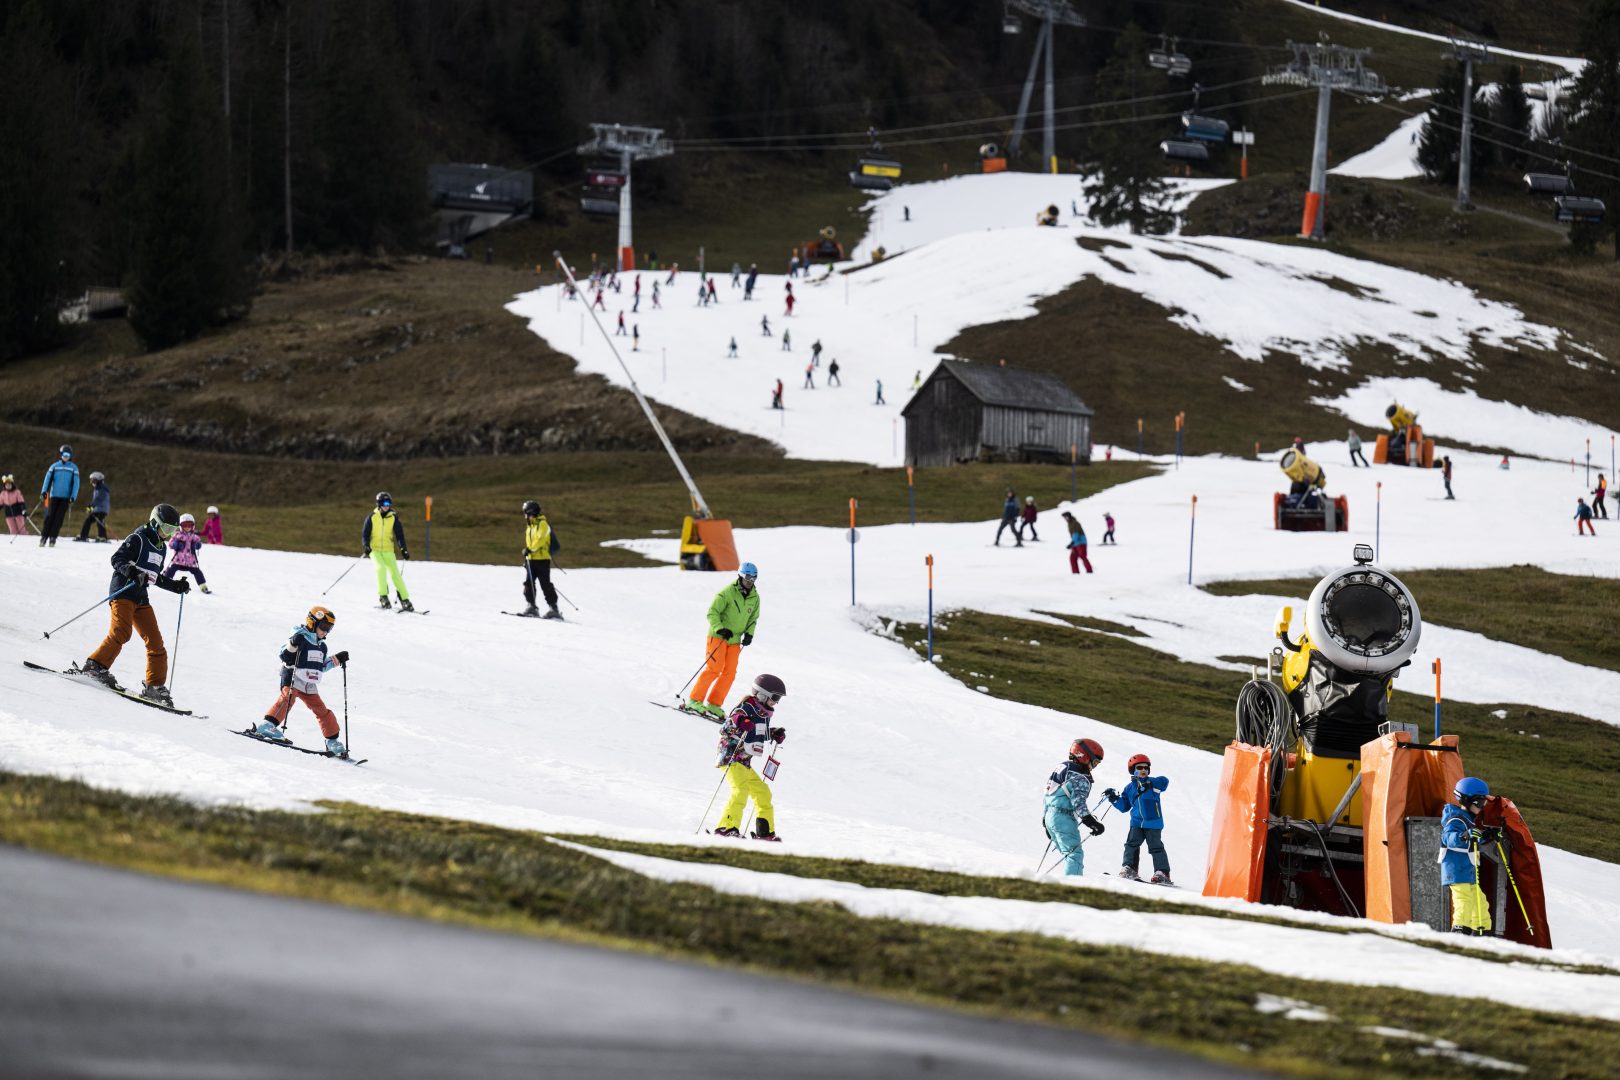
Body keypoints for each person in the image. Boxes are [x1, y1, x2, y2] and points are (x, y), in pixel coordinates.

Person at [78, 503, 190, 705]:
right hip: (122, 591)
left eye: (173, 531)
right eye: (166, 529)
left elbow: (156, 578)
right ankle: (95, 666)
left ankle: (154, 687)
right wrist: (132, 572)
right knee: (122, 632)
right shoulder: (138, 538)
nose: (170, 535)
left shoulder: (162, 548)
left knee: (156, 642)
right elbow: (117, 558)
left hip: (140, 598)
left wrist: (176, 586)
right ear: (155, 524)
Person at [251, 606, 351, 757]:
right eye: (323, 626)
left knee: (322, 711)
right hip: (293, 676)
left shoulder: (322, 646)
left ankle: (332, 741)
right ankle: (267, 725)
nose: (325, 631)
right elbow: (284, 655)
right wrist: (293, 643)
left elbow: (321, 666)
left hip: (309, 682)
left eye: (329, 628)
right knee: (288, 698)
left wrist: (337, 659)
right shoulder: (299, 636)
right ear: (312, 622)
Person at [712, 673, 788, 840]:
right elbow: (725, 728)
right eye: (775, 697)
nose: (776, 702)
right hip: (731, 758)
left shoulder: (763, 714)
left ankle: (764, 832)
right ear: (762, 694)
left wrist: (773, 734)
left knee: (763, 793)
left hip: (744, 762)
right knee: (740, 790)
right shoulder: (745, 708)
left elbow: (756, 734)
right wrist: (739, 721)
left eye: (778, 699)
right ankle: (726, 828)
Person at [687, 563, 760, 718]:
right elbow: (712, 612)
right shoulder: (727, 592)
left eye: (754, 578)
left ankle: (714, 703)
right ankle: (694, 700)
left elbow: (753, 618)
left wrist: (749, 634)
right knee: (714, 668)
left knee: (730, 673)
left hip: (734, 640)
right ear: (740, 576)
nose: (750, 581)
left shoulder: (755, 597)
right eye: (748, 577)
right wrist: (720, 628)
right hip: (718, 636)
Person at [1440, 777, 1499, 936]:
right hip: (1456, 869)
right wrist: (1463, 836)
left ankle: (1483, 932)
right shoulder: (1455, 818)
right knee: (1464, 901)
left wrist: (1488, 836)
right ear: (1466, 800)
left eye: (1484, 802)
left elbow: (1475, 839)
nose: (1482, 806)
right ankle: (1459, 932)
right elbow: (1447, 838)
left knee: (1480, 903)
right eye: (1479, 802)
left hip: (1468, 871)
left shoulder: (1469, 821)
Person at [1043, 738, 1107, 876]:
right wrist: (1092, 822)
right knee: (1075, 855)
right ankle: (1071, 889)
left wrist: (1045, 819)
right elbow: (1078, 803)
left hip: (1050, 815)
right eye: (1094, 762)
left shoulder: (1062, 768)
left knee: (1068, 853)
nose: (1094, 766)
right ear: (1084, 756)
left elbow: (1048, 793)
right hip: (1063, 818)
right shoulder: (1080, 777)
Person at [1105, 754, 1172, 884]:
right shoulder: (1129, 788)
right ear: (1133, 770)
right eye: (1139, 767)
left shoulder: (1154, 784)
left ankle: (1162, 872)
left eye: (1146, 768)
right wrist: (1113, 799)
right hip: (1136, 823)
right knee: (1131, 845)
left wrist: (1150, 782)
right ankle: (1129, 868)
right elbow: (1124, 806)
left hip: (1153, 822)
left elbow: (1165, 781)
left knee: (1156, 847)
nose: (1143, 770)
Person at [362, 491, 413, 610]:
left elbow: (399, 535)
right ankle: (383, 597)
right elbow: (365, 535)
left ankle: (405, 599)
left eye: (389, 503)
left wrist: (403, 549)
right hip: (375, 551)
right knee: (381, 569)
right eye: (384, 503)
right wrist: (366, 546)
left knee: (395, 574)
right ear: (379, 504)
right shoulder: (372, 517)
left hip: (388, 551)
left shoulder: (393, 518)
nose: (387, 505)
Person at [520, 499, 561, 620]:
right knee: (528, 584)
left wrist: (529, 549)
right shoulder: (530, 526)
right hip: (532, 560)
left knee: (545, 584)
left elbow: (540, 540)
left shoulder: (543, 524)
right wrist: (529, 554)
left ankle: (554, 609)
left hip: (542, 560)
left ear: (530, 512)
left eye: (525, 513)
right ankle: (531, 606)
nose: (524, 515)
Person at [38, 444, 80, 547]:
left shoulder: (73, 468)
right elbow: (47, 479)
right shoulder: (54, 466)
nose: (66, 456)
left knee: (59, 518)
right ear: (60, 455)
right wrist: (44, 491)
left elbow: (76, 484)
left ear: (71, 456)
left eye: (68, 455)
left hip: (65, 498)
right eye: (64, 454)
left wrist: (73, 496)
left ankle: (53, 538)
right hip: (54, 496)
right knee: (50, 517)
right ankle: (44, 537)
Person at [162, 513, 211, 594]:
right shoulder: (177, 535)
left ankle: (203, 586)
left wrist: (197, 545)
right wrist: (176, 544)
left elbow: (199, 543)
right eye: (185, 525)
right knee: (171, 570)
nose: (187, 527)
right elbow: (170, 543)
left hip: (190, 562)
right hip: (178, 560)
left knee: (198, 572)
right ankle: (166, 582)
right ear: (181, 526)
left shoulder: (194, 536)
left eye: (190, 525)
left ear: (193, 526)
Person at [76, 471, 111, 542]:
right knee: (89, 521)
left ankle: (102, 537)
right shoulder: (98, 488)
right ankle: (84, 535)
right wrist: (91, 508)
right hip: (98, 509)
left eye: (93, 480)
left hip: (102, 509)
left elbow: (98, 499)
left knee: (100, 522)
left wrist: (90, 507)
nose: (92, 482)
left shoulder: (102, 488)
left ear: (98, 480)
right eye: (91, 480)